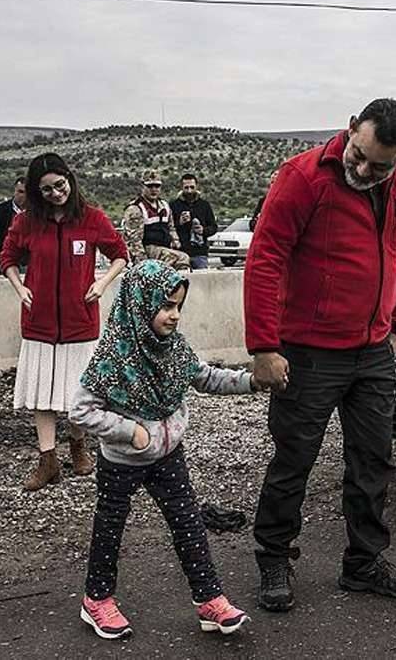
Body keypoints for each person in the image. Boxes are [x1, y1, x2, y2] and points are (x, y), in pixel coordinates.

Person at [244, 98, 396, 611]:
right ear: (349, 130)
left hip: (373, 351)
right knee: (293, 460)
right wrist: (263, 346)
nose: (363, 169)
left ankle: (364, 565)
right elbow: (265, 258)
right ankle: (274, 558)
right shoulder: (301, 178)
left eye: (380, 165)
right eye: (359, 153)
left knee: (373, 462)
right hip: (309, 352)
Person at [69, 260, 255, 640]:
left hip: (168, 455)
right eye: (166, 306)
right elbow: (81, 411)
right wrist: (129, 431)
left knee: (189, 525)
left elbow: (206, 378)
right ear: (140, 304)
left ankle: (209, 600)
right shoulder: (113, 358)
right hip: (122, 462)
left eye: (178, 307)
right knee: (110, 531)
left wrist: (253, 381)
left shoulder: (174, 349)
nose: (173, 316)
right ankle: (97, 600)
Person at [0, 153, 129, 490]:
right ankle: (48, 460)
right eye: (46, 190)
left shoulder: (92, 218)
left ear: (70, 180)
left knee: (77, 392)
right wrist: (19, 287)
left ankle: (78, 446)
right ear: (35, 192)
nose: (56, 194)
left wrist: (101, 283)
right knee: (43, 394)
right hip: (39, 321)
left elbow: (120, 255)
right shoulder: (27, 222)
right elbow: (8, 257)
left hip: (79, 321)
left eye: (60, 185)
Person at [121, 169, 189, 270]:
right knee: (181, 258)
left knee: (182, 258)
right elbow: (134, 241)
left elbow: (171, 227)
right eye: (150, 186)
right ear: (143, 187)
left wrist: (175, 241)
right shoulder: (136, 209)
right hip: (148, 249)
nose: (154, 189)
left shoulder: (164, 206)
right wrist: (143, 265)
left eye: (157, 186)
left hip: (164, 247)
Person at [170, 173, 218, 270]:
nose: (189, 191)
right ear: (181, 188)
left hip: (200, 252)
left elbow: (213, 227)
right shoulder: (173, 205)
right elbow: (169, 227)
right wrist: (179, 222)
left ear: (197, 186)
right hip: (180, 252)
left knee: (201, 281)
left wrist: (203, 231)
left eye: (192, 187)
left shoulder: (204, 205)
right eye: (186, 187)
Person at [0, 176, 27, 243]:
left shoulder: (38, 212)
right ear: (14, 190)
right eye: (21, 191)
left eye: (28, 192)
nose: (24, 195)